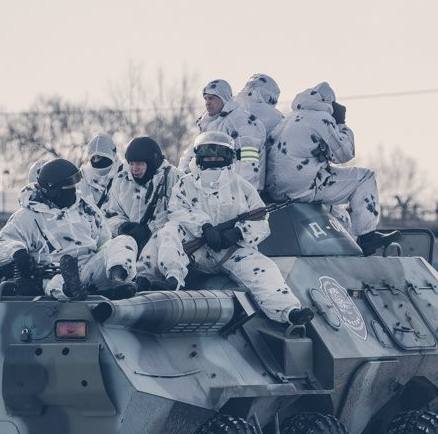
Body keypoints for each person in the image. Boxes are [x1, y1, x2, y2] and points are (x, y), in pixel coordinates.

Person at [155, 131, 313, 325]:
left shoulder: (243, 187)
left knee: (263, 268)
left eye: (218, 157)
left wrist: (239, 232)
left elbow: (262, 220)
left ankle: (289, 311)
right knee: (169, 230)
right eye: (209, 157)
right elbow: (177, 210)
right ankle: (173, 278)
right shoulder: (185, 184)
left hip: (230, 251)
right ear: (199, 157)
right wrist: (204, 227)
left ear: (228, 158)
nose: (213, 161)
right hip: (195, 253)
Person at [264, 81, 386, 253]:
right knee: (365, 178)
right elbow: (345, 153)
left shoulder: (289, 119)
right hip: (301, 187)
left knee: (341, 216)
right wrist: (341, 123)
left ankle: (348, 243)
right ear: (329, 103)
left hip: (277, 190)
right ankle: (367, 237)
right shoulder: (321, 119)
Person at [0, 158, 137, 301]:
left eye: (74, 187)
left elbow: (104, 243)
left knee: (124, 241)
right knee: (55, 282)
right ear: (52, 190)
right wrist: (17, 252)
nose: (73, 192)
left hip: (87, 267)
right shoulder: (26, 216)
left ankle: (116, 281)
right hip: (53, 271)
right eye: (68, 188)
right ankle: (70, 290)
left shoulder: (87, 209)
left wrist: (109, 260)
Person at [102, 136, 191, 284]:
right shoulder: (121, 180)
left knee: (163, 236)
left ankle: (153, 279)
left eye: (139, 164)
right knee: (122, 242)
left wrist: (149, 228)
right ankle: (118, 279)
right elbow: (111, 214)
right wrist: (123, 227)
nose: (134, 169)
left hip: (161, 237)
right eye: (131, 163)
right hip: (131, 239)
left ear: (151, 163)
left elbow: (179, 212)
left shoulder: (173, 178)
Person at [178, 79, 268, 190]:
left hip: (236, 192)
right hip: (213, 191)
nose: (207, 102)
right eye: (205, 99)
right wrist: (181, 181)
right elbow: (191, 155)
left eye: (211, 98)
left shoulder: (241, 121)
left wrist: (242, 193)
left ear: (224, 98)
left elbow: (248, 159)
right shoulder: (208, 124)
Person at [80, 133, 126, 208]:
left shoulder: (124, 173)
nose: (96, 161)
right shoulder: (84, 175)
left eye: (99, 157)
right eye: (93, 158)